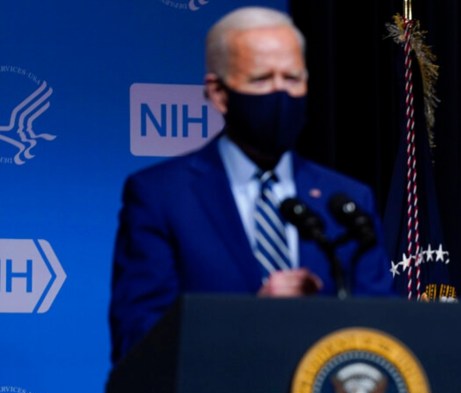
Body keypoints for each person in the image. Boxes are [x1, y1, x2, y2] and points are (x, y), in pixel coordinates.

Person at [108, 6, 396, 364]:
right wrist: (249, 322)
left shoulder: (347, 201)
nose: (281, 94)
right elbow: (137, 338)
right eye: (261, 80)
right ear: (218, 92)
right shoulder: (162, 197)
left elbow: (383, 331)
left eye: (293, 79)